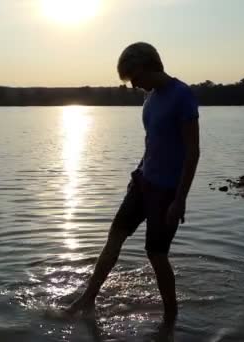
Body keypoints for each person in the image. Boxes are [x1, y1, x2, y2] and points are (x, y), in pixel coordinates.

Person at [64, 42, 200, 329]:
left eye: (133, 76)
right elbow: (154, 142)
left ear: (148, 66)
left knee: (156, 253)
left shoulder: (182, 95)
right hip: (142, 182)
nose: (133, 83)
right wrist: (139, 171)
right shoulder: (149, 97)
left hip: (166, 191)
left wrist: (180, 199)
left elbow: (192, 152)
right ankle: (87, 299)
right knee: (114, 237)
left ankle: (170, 319)